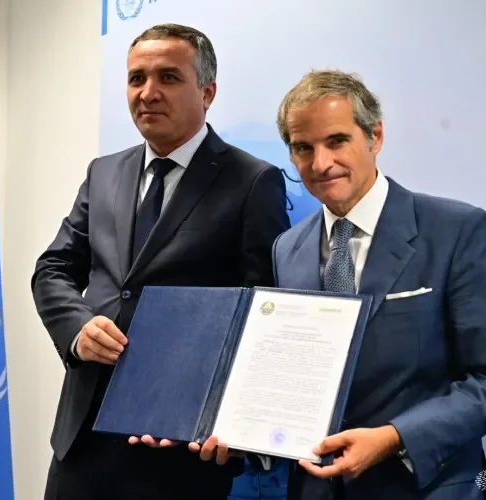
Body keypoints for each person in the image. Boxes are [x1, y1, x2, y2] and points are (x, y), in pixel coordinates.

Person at [30, 23, 291, 500]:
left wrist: (234, 420)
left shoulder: (253, 181)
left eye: (168, 77)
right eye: (137, 78)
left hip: (182, 448)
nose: (148, 93)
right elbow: (53, 269)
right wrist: (77, 329)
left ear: (207, 92)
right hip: (82, 440)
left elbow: (263, 310)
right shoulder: (104, 171)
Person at [269, 70, 486, 499]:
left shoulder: (457, 230)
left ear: (375, 136)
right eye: (303, 148)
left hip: (426, 487)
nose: (320, 163)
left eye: (337, 141)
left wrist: (394, 438)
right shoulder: (287, 248)